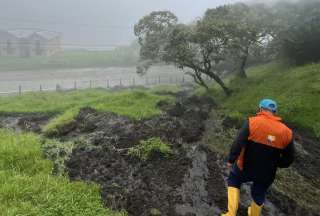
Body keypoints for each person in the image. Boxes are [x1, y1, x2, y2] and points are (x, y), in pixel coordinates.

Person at [221, 99, 295, 216]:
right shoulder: (287, 132)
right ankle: (254, 214)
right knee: (259, 192)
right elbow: (289, 158)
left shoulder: (252, 122)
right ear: (274, 112)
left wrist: (231, 159)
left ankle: (231, 213)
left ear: (260, 109)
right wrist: (277, 163)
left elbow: (238, 143)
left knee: (234, 179)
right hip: (267, 172)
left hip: (245, 167)